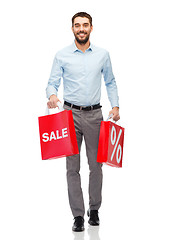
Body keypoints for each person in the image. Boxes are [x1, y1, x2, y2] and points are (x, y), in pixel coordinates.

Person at [46, 12, 120, 232]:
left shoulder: (103, 55)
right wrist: (51, 95)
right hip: (69, 115)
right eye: (77, 25)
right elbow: (52, 82)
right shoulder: (61, 55)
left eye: (85, 25)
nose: (81, 29)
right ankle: (78, 215)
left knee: (96, 166)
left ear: (91, 28)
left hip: (95, 115)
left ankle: (94, 210)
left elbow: (110, 81)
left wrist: (115, 106)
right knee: (72, 167)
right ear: (72, 29)